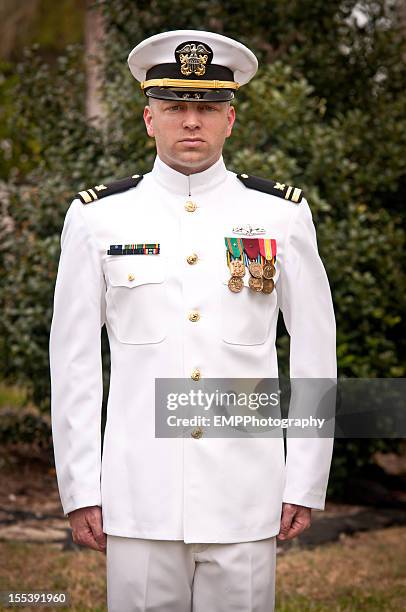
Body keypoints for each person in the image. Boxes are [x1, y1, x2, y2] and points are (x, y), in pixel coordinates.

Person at [50, 29, 336, 612]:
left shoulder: (279, 215)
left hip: (246, 491)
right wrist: (81, 487)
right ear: (148, 118)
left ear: (230, 120)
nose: (191, 122)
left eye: (207, 107)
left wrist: (305, 478)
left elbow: (314, 350)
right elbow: (74, 362)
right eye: (176, 107)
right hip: (137, 494)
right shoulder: (98, 220)